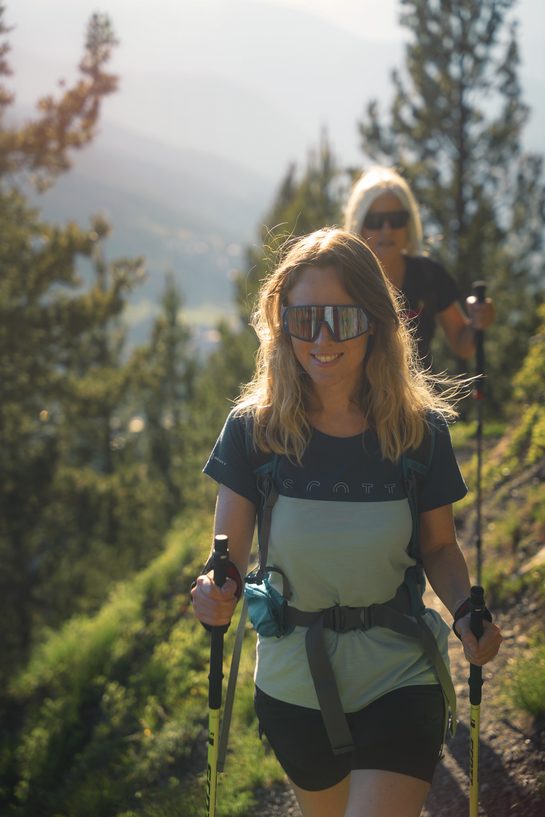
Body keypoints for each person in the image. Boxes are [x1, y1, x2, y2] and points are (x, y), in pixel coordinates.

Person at [191, 228, 502, 817]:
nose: (323, 338)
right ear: (282, 325)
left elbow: (439, 548)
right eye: (305, 320)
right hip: (292, 688)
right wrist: (215, 593)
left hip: (400, 673)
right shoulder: (253, 432)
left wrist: (465, 613)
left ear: (377, 323)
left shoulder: (419, 432)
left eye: (343, 318)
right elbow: (225, 558)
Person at [343, 166, 495, 367]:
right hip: (356, 398)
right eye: (375, 220)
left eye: (397, 219)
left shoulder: (429, 275)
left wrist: (478, 322)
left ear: (409, 223)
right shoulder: (342, 278)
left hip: (414, 397)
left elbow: (462, 344)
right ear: (359, 224)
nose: (387, 230)